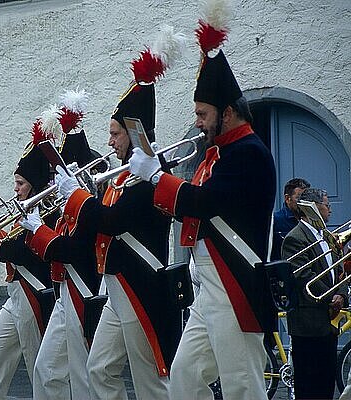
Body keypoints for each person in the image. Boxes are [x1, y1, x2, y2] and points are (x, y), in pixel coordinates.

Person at [24, 32, 185, 399]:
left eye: (115, 134)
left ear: (134, 133)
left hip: (139, 281)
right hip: (116, 284)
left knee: (150, 379)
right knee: (99, 370)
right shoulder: (125, 175)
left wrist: (77, 196)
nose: (110, 142)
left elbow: (112, 222)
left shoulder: (147, 176)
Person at [129, 4, 277, 399]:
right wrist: (154, 174)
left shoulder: (246, 151)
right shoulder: (220, 153)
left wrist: (156, 177)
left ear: (226, 112)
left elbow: (202, 201)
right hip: (208, 285)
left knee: (243, 386)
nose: (197, 122)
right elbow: (185, 201)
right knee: (184, 379)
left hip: (234, 281)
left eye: (202, 113)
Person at [20, 102, 102, 400]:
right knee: (47, 371)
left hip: (83, 288)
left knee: (83, 376)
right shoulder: (66, 205)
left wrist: (37, 230)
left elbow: (72, 249)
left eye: (60, 177)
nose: (55, 183)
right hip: (64, 291)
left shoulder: (88, 202)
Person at [0, 127, 58, 399]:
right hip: (16, 295)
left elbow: (19, 252)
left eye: (20, 183)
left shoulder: (46, 212)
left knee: (39, 369)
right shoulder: (26, 211)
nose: (16, 189)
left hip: (33, 297)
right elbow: (9, 250)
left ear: (34, 183)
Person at [282, 188, 347, 400]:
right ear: (312, 207)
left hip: (328, 322)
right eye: (327, 205)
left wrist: (342, 295)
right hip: (307, 323)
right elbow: (304, 276)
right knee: (309, 386)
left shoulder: (327, 236)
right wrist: (331, 297)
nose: (330, 210)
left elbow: (341, 271)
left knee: (326, 383)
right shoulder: (295, 238)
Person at [271, 178, 310, 261]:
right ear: (287, 198)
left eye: (306, 199)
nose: (304, 202)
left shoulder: (312, 220)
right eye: (299, 198)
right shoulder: (275, 221)